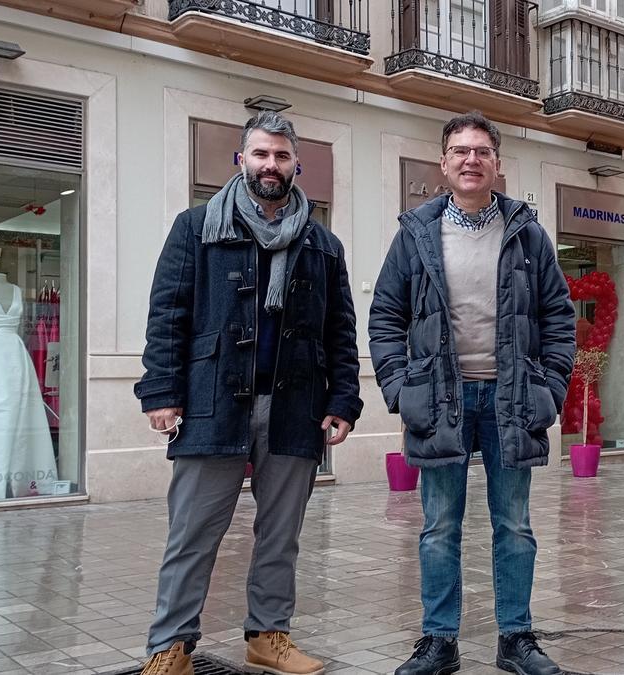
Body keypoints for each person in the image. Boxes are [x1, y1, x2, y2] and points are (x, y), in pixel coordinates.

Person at [133, 111, 362, 675]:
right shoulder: (195, 227)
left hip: (295, 406)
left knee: (280, 536)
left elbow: (340, 329)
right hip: (212, 402)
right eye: (260, 154)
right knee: (191, 533)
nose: (270, 165)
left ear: (296, 165)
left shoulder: (323, 244)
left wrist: (343, 401)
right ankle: (171, 646)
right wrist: (162, 391)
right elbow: (168, 314)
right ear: (241, 160)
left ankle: (269, 635)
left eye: (281, 156)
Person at [369, 111, 576, 675]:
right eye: (460, 150)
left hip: (510, 400)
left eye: (482, 151)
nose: (471, 159)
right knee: (439, 527)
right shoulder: (415, 234)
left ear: (497, 164)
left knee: (514, 526)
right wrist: (398, 385)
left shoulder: (527, 234)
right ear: (443, 163)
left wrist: (550, 386)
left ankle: (516, 639)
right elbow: (385, 315)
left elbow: (558, 316)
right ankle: (439, 641)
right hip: (440, 400)